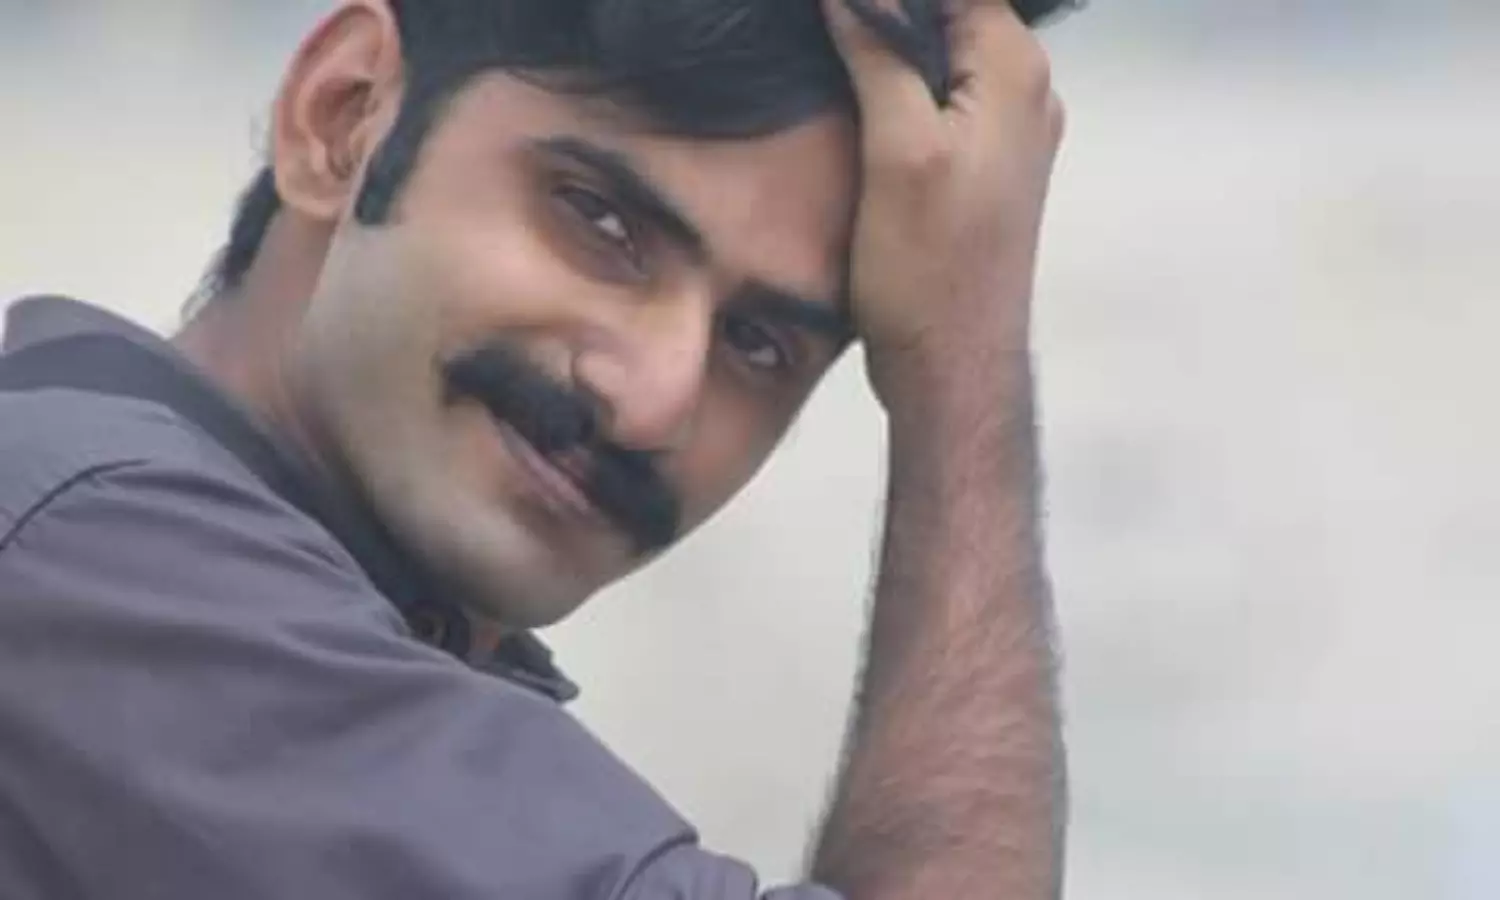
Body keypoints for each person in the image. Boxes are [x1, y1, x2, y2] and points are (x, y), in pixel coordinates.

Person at [0, 0, 1071, 897]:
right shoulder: (93, 555)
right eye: (600, 222)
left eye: (756, 342)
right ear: (344, 116)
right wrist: (960, 366)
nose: (655, 403)